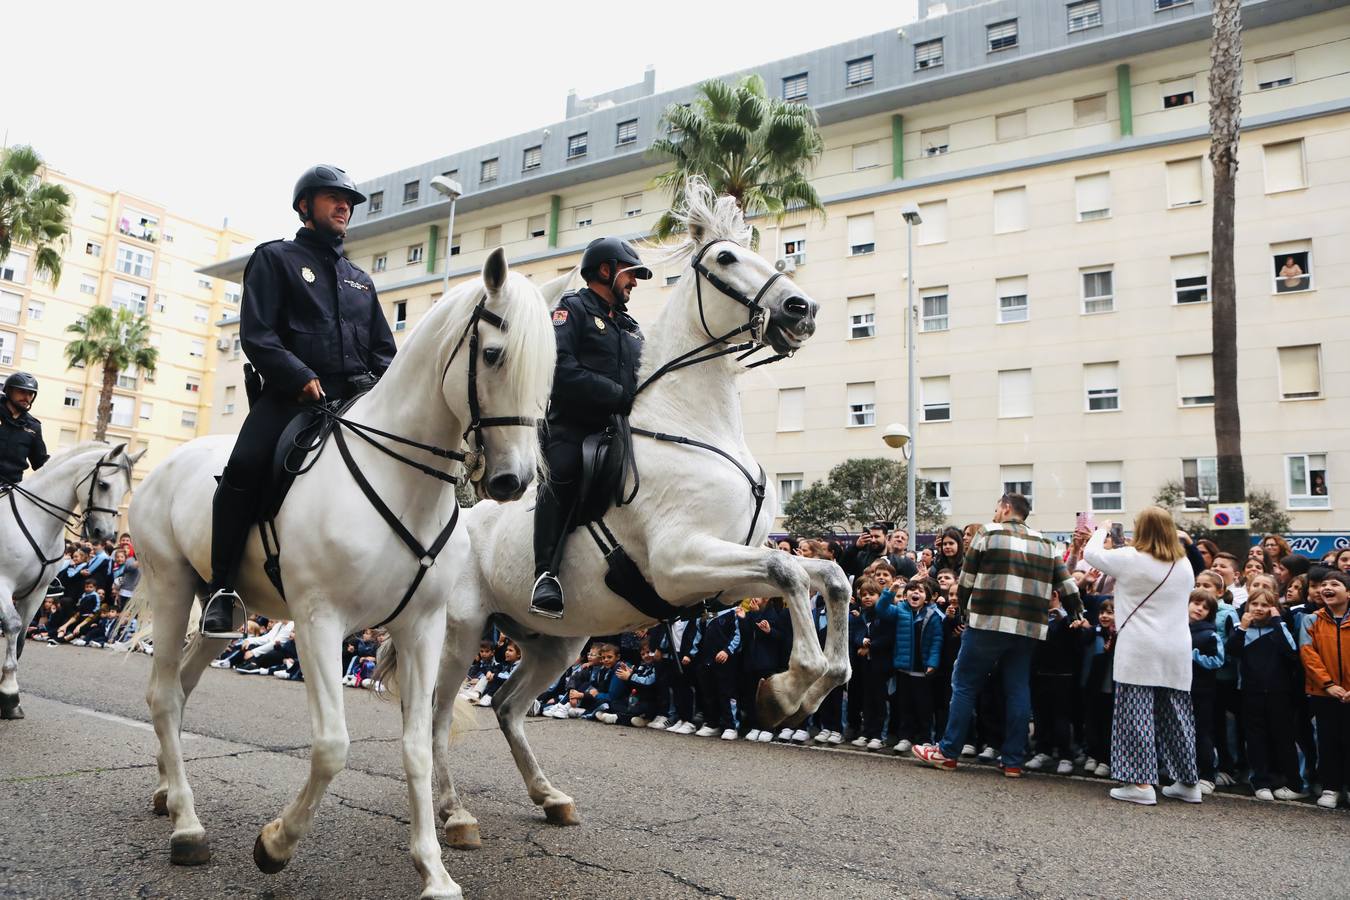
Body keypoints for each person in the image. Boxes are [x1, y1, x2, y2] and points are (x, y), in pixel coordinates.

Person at [202, 165, 395, 638]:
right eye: (333, 198)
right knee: (244, 467)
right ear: (306, 206)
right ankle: (221, 588)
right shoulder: (276, 259)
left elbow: (384, 352)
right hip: (291, 397)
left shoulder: (359, 280)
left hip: (353, 400)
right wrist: (299, 376)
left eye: (348, 201)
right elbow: (258, 335)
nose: (344, 206)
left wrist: (385, 391)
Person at [912, 492, 1081, 776]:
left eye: (996, 508)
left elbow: (966, 579)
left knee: (964, 683)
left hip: (988, 622)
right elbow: (1067, 586)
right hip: (1028, 627)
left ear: (1005, 508)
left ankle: (948, 752)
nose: (993, 514)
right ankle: (1013, 760)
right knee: (1017, 688)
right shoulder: (1047, 543)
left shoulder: (988, 534)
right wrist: (1077, 614)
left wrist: (963, 608)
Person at [530, 237, 651, 619]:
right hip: (573, 427)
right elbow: (560, 369)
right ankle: (545, 575)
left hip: (622, 430)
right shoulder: (571, 310)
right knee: (561, 472)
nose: (634, 283)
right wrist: (617, 395)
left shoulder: (631, 327)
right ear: (606, 270)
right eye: (630, 274)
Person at [1084, 507, 1199, 805]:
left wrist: (1102, 530)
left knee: (1135, 714)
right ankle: (1187, 782)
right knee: (1177, 715)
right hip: (1176, 646)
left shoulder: (1131, 559)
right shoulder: (1183, 564)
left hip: (1139, 645)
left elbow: (1091, 554)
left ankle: (1140, 783)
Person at [1227, 588, 1306, 801]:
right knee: (1255, 738)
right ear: (1248, 606)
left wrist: (1277, 621)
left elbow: (1290, 652)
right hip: (1250, 692)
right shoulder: (1241, 629)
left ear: (1273, 608)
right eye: (1255, 604)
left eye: (1265, 605)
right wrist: (1243, 626)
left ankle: (1293, 783)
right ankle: (1260, 782)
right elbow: (1232, 650)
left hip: (1279, 692)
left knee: (1284, 738)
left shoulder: (1280, 627)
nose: (1259, 609)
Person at [1298, 570, 1350, 810]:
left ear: (1348, 592)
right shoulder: (1312, 619)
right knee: (1327, 742)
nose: (1326, 588)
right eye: (1324, 584)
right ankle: (1331, 787)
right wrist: (1328, 685)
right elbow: (1308, 655)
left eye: (1335, 584)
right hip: (1324, 693)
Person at [1188, 590, 1224, 793]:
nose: (1199, 609)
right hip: (1179, 688)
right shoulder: (1177, 629)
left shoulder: (1210, 634)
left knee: (1202, 732)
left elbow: (1217, 661)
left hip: (1202, 690)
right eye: (1196, 603)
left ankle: (1207, 775)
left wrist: (1193, 655)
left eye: (1205, 607)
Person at [0, 372, 48, 485]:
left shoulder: (33, 426)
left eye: (30, 394)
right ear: (9, 391)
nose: (26, 397)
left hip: (11, 489)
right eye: (21, 392)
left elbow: (40, 463)